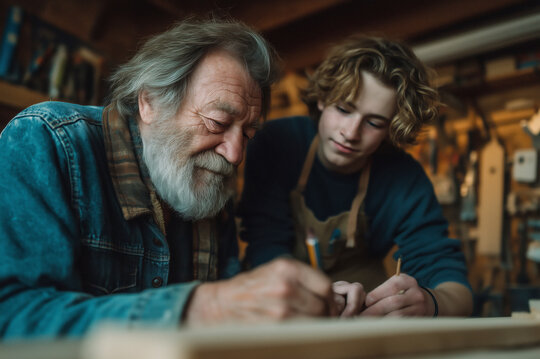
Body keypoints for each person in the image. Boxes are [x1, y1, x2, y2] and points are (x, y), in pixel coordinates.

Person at [0, 19, 347, 340]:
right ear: (149, 102)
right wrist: (203, 308)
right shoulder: (48, 140)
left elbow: (229, 331)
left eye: (249, 134)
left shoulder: (211, 186)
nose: (235, 155)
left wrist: (314, 309)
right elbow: (12, 316)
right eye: (216, 123)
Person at [238, 35, 474, 317]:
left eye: (374, 123)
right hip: (284, 308)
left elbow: (455, 288)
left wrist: (432, 302)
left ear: (391, 129)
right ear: (324, 99)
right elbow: (266, 244)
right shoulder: (277, 142)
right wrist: (318, 297)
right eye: (344, 109)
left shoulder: (404, 178)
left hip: (362, 317)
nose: (350, 133)